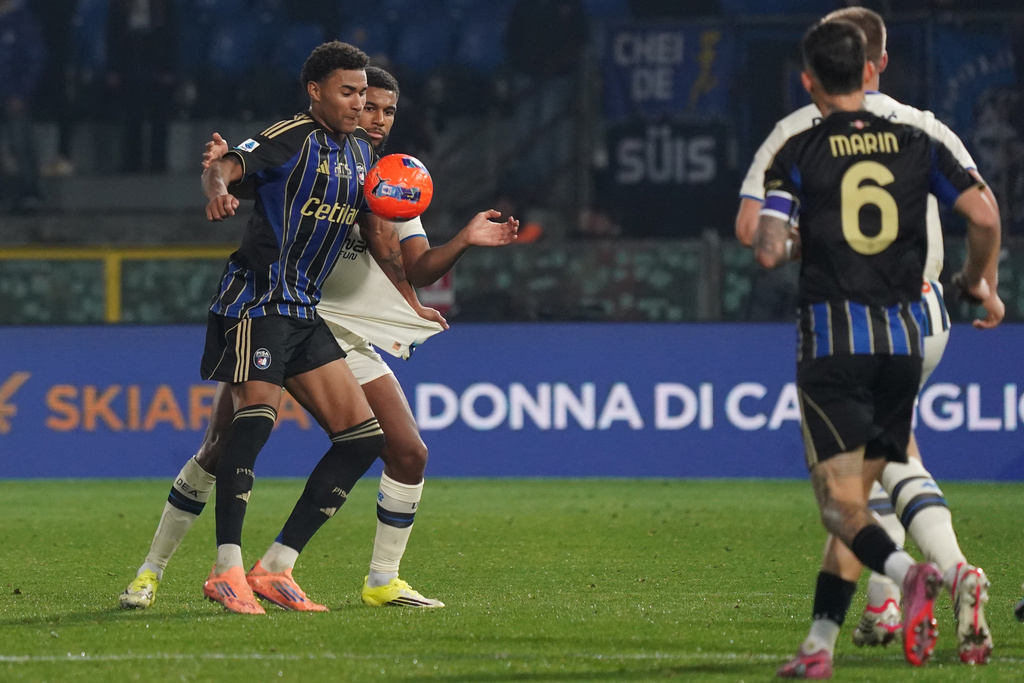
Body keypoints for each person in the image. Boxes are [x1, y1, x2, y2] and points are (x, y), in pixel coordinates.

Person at [119, 65, 518, 612]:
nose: (370, 115)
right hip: (270, 311)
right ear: (327, 96)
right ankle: (153, 571)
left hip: (328, 329)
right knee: (222, 446)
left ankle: (346, 574)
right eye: (360, 101)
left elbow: (406, 261)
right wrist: (222, 174)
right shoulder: (308, 148)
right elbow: (245, 169)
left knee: (399, 449)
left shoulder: (385, 181)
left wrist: (459, 246)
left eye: (383, 109)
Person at [737, 6, 1001, 670]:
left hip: (836, 335)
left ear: (807, 80)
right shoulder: (921, 132)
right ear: (874, 65)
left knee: (843, 495)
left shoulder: (798, 140)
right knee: (892, 456)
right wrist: (980, 281)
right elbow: (985, 209)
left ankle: (906, 576)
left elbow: (761, 243)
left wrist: (804, 235)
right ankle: (863, 617)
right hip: (917, 324)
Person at [0, 0, 45, 212]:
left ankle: (29, 192)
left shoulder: (22, 20)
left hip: (14, 95)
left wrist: (21, 93)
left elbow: (35, 58)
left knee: (21, 144)